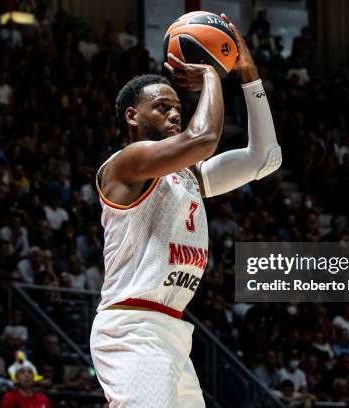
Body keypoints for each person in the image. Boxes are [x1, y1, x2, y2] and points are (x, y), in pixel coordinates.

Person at [89, 14, 281, 407]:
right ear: (132, 117)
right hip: (132, 329)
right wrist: (213, 72)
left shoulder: (189, 175)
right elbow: (205, 137)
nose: (175, 113)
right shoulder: (126, 164)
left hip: (171, 331)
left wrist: (249, 74)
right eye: (162, 108)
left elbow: (265, 159)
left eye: (178, 106)